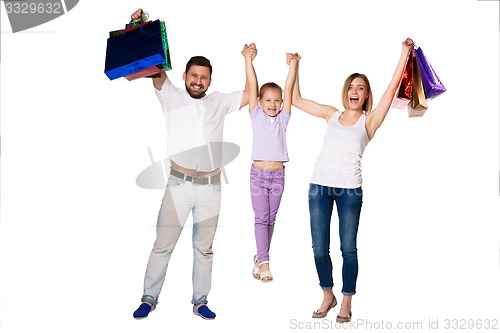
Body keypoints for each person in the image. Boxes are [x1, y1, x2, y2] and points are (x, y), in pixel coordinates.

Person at [129, 8, 257, 320]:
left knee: (204, 248)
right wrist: (138, 25)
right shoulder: (170, 94)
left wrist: (248, 60)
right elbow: (152, 64)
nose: (199, 81)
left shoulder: (220, 101)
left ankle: (200, 302)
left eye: (204, 78)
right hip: (179, 185)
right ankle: (149, 298)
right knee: (163, 244)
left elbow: (253, 94)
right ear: (185, 76)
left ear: (209, 81)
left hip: (211, 187)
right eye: (194, 76)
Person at [292, 38, 414, 322]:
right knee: (319, 247)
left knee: (348, 248)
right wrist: (295, 65)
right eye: (351, 87)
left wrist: (404, 53)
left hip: (350, 191)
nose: (354, 91)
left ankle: (346, 300)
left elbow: (392, 88)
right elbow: (296, 100)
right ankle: (327, 294)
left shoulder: (369, 121)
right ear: (345, 92)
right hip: (319, 187)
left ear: (366, 94)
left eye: (360, 88)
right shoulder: (330, 114)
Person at [241, 45, 299, 282]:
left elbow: (288, 88)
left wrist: (293, 64)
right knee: (261, 218)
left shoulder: (283, 119)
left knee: (271, 219)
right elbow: (252, 85)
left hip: (278, 176)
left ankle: (260, 258)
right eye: (268, 100)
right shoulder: (255, 114)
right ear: (260, 102)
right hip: (258, 174)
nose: (273, 104)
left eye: (277, 101)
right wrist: (248, 60)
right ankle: (265, 262)